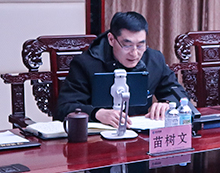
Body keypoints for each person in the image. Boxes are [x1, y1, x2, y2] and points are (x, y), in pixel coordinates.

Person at [54, 11, 186, 126]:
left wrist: (168, 103)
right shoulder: (86, 63)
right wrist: (97, 113)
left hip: (140, 133)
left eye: (140, 45)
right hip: (98, 137)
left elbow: (180, 94)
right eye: (127, 45)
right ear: (111, 39)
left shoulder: (154, 59)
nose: (134, 53)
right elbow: (63, 108)